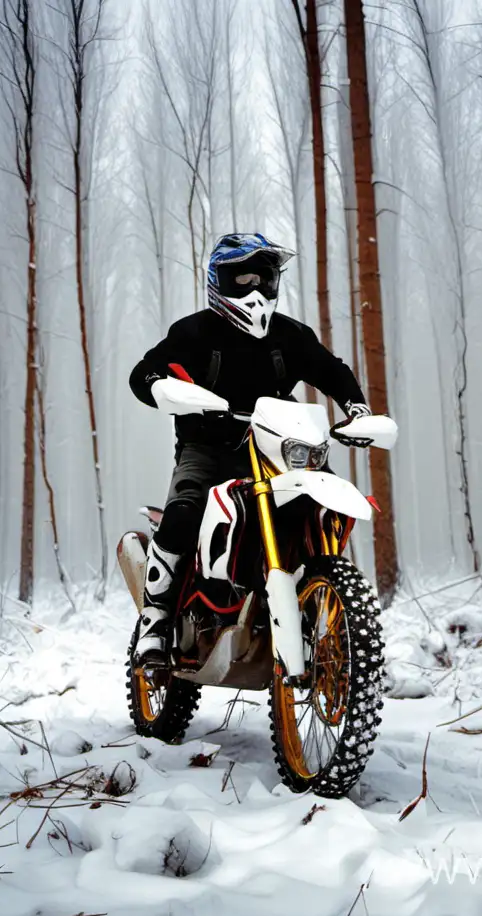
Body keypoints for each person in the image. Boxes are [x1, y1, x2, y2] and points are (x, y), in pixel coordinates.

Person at [128, 232, 371, 665]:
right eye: (242, 278)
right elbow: (145, 370)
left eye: (263, 277)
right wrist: (161, 386)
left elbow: (331, 370)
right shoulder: (194, 331)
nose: (255, 289)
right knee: (185, 508)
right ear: (219, 280)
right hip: (208, 447)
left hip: (278, 447)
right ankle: (156, 618)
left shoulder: (290, 335)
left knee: (326, 503)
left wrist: (357, 407)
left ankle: (331, 607)